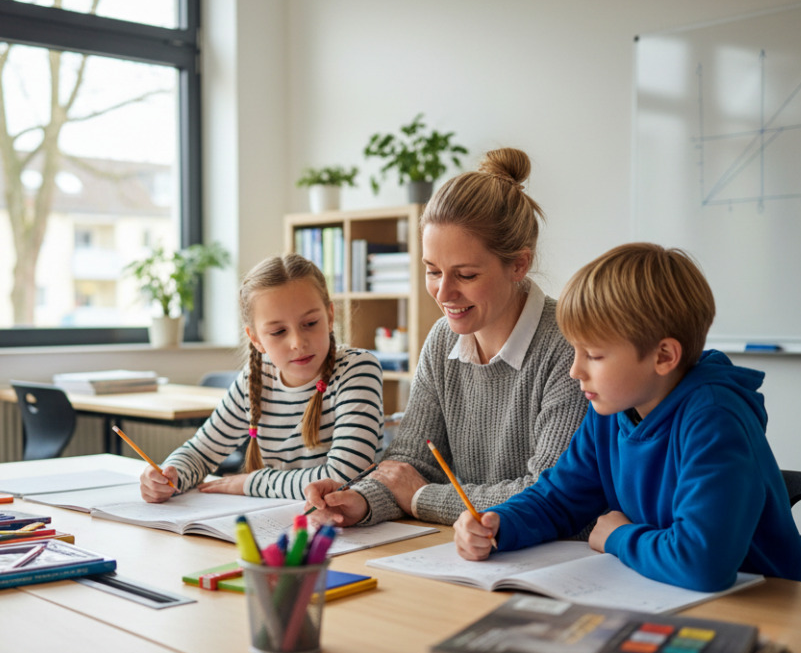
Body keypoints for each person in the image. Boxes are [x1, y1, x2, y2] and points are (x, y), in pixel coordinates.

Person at [455, 242, 801, 591]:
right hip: (665, 594)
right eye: (575, 351)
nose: (575, 370)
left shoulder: (714, 419)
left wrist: (618, 536)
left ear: (663, 356)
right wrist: (497, 524)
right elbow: (558, 499)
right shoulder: (612, 409)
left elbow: (703, 563)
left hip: (765, 607)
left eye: (593, 355)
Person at [304, 148, 587, 527]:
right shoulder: (442, 340)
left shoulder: (569, 343)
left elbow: (549, 494)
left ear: (519, 264)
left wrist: (422, 497)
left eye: (466, 275)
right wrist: (358, 500)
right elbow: (409, 462)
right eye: (432, 271)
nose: (443, 293)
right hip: (468, 552)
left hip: (557, 562)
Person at [139, 253, 383, 502]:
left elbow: (345, 478)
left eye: (310, 323)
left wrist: (250, 482)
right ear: (256, 339)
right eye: (278, 332)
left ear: (330, 317)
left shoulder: (357, 368)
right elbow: (201, 452)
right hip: (274, 520)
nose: (297, 342)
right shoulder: (256, 378)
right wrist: (170, 476)